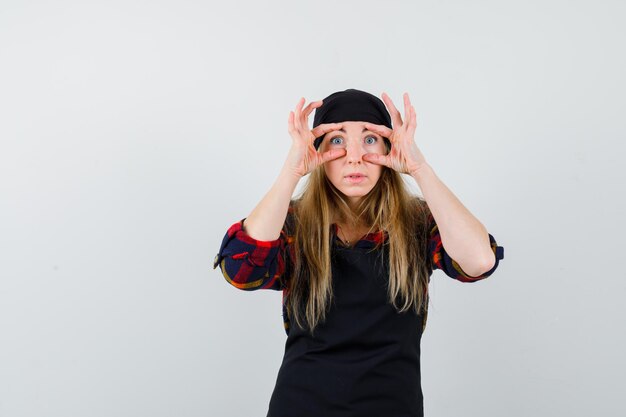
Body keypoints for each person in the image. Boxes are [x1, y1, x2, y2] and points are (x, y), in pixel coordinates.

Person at [212, 88, 504, 417]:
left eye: (369, 139)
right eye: (337, 140)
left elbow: (479, 261)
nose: (354, 157)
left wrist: (420, 169)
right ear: (317, 150)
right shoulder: (293, 222)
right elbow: (241, 272)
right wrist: (290, 173)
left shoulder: (419, 221)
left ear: (388, 147)